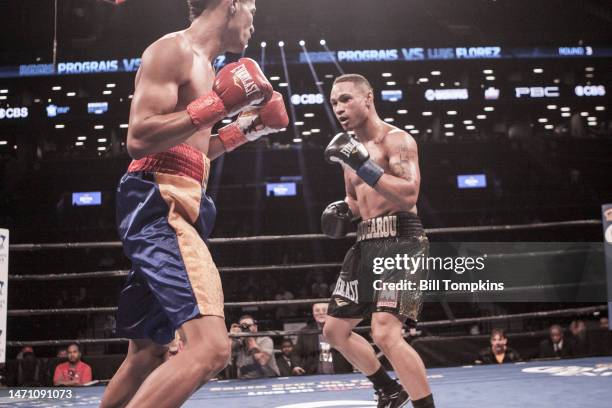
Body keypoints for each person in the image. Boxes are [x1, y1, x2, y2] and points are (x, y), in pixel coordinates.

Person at [100, 1, 288, 407]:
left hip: (176, 195)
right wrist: (219, 107)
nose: (255, 21)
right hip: (161, 201)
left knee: (147, 352)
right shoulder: (173, 50)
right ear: (231, 3)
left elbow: (193, 149)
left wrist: (246, 129)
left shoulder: (210, 68)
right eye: (252, 8)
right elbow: (140, 137)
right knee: (211, 348)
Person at [321, 74, 434, 408]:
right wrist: (341, 211)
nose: (338, 108)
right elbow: (356, 201)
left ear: (368, 98)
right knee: (334, 331)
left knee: (384, 332)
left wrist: (363, 163)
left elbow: (409, 192)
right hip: (366, 241)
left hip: (402, 238)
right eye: (333, 103)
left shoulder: (397, 141)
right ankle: (388, 389)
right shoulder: (348, 150)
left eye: (345, 99)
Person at [294, 302, 353, 375]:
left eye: (324, 310)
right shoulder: (306, 332)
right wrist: (296, 366)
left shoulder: (342, 328)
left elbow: (354, 349)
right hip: (314, 374)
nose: (321, 313)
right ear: (313, 314)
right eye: (317, 311)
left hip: (341, 373)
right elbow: (296, 352)